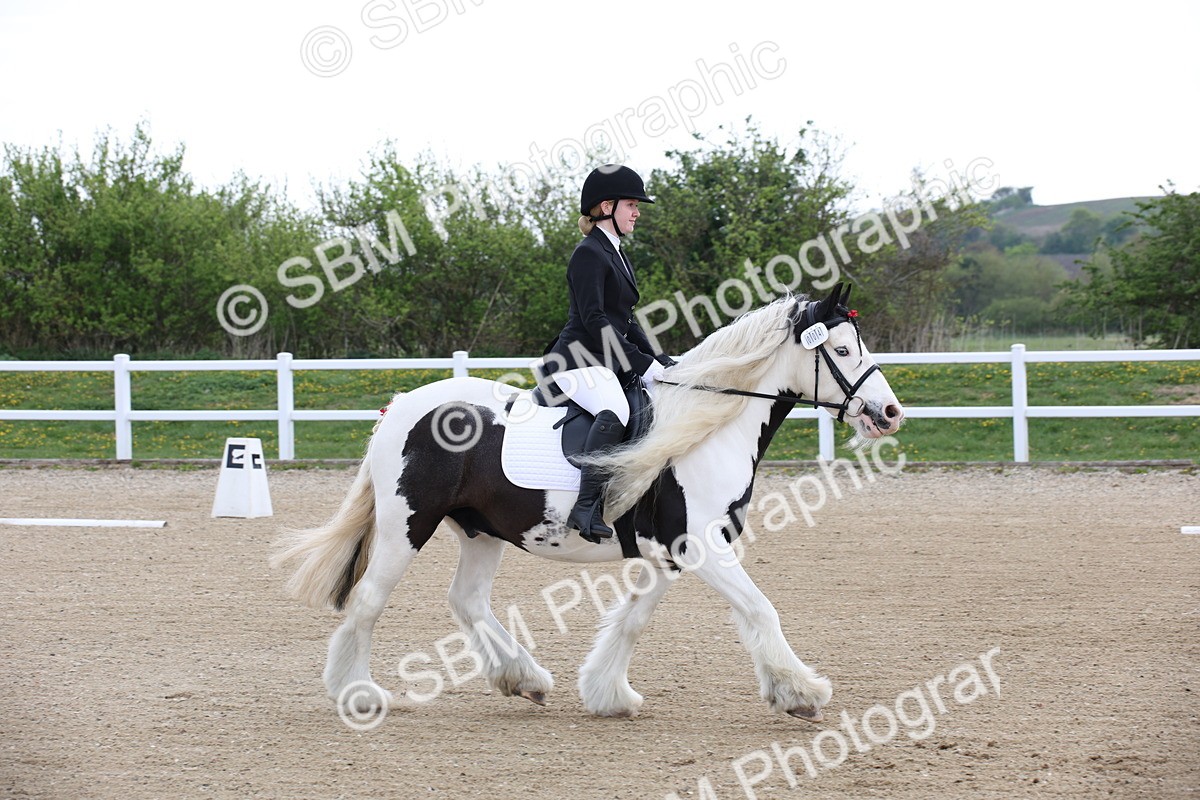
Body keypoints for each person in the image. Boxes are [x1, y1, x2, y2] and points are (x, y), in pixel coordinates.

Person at [541, 164, 676, 543]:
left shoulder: (615, 252)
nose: (637, 213)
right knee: (614, 408)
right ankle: (585, 507)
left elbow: (625, 320)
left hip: (601, 361)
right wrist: (640, 363)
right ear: (606, 207)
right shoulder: (588, 253)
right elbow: (595, 320)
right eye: (631, 205)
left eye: (637, 206)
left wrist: (658, 359)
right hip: (575, 360)